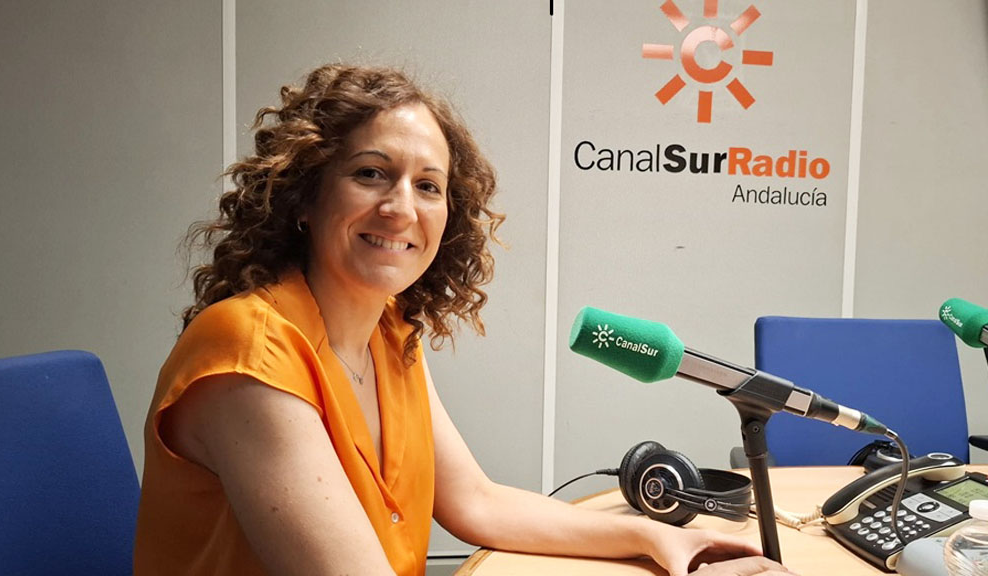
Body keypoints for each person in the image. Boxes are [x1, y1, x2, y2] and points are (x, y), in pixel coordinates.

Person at [133, 63, 794, 576]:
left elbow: (476, 501)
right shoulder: (249, 348)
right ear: (304, 198)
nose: (401, 208)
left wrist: (656, 538)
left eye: (428, 185)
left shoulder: (388, 333)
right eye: (371, 174)